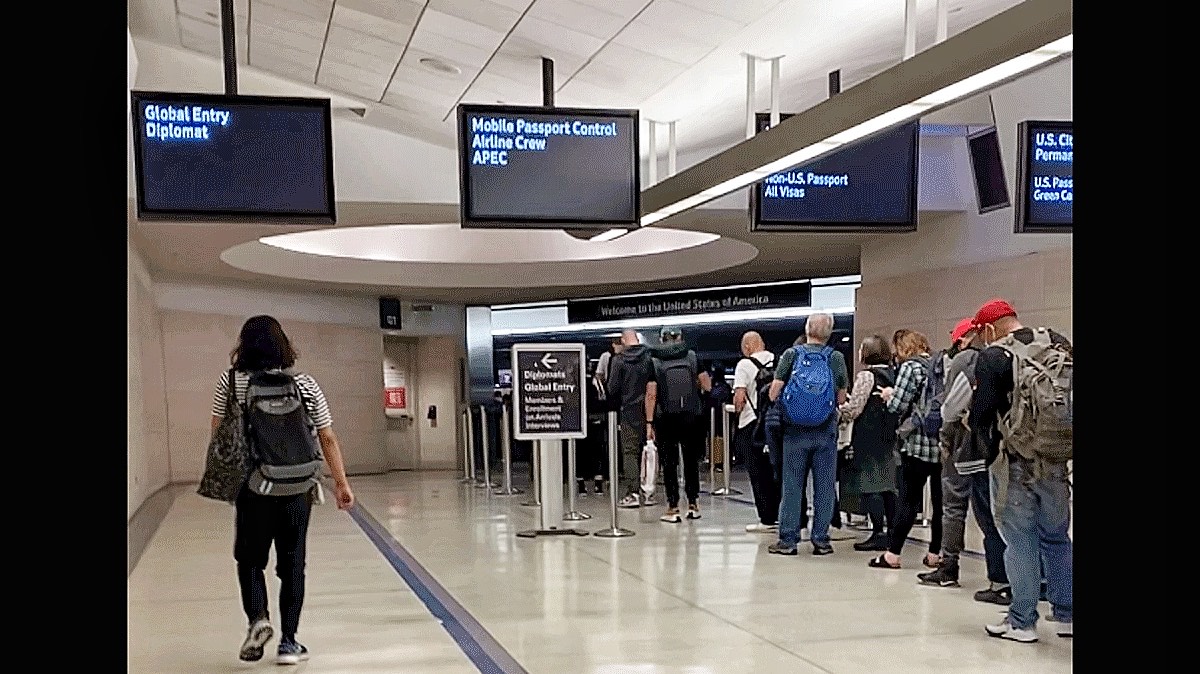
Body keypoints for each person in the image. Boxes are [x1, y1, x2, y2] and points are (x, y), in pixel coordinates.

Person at [210, 315, 354, 665]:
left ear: (243, 346)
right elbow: (327, 436)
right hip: (298, 487)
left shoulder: (231, 383)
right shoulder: (305, 384)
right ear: (284, 345)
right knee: (292, 566)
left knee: (249, 560)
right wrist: (341, 483)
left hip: (254, 488)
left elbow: (218, 434)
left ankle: (258, 619)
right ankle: (289, 643)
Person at [970, 299, 1073, 643]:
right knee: (1057, 536)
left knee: (1020, 540)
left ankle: (1021, 621)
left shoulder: (994, 356)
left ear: (988, 329)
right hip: (1056, 456)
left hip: (1013, 459)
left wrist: (985, 453)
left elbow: (981, 415)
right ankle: (1067, 615)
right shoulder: (1056, 341)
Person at [918, 319, 1012, 604]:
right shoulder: (1007, 357)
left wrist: (946, 441)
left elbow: (950, 409)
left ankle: (953, 567)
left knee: (958, 507)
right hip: (997, 446)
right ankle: (1014, 578)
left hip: (965, 446)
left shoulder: (966, 359)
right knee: (997, 513)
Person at [767, 313, 848, 556]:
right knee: (824, 486)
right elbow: (841, 398)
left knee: (792, 486)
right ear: (829, 333)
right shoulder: (836, 358)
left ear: (807, 329)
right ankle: (821, 540)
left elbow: (773, 392)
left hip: (794, 432)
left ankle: (788, 540)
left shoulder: (791, 356)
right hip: (825, 431)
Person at [869, 330, 943, 571]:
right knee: (942, 504)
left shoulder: (910, 368)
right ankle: (935, 554)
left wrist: (889, 396)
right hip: (944, 444)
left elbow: (898, 405)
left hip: (918, 444)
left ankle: (893, 554)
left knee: (909, 499)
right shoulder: (939, 364)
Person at [838, 335, 899, 551]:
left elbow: (855, 408)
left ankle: (877, 532)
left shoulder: (866, 376)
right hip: (890, 435)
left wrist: (837, 411)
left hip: (869, 436)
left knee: (871, 482)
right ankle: (893, 531)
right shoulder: (894, 373)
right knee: (888, 486)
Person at [652, 328, 712, 522]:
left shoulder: (655, 360)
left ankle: (672, 507)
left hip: (665, 417)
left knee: (669, 463)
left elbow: (652, 393)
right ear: (680, 338)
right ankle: (693, 503)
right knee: (690, 460)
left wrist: (649, 421)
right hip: (691, 415)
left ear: (662, 339)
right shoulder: (692, 357)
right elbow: (707, 385)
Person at [733, 331, 781, 533]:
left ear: (746, 348)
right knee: (776, 471)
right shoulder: (778, 361)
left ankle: (766, 519)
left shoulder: (744, 365)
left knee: (757, 474)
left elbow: (739, 399)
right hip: (776, 423)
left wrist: (736, 409)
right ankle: (782, 514)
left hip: (752, 425)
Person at [606, 329, 658, 507]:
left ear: (622, 341)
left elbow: (612, 388)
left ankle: (633, 493)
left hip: (628, 410)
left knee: (630, 452)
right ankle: (649, 493)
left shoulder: (618, 361)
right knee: (650, 451)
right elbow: (653, 386)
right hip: (649, 409)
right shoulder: (649, 358)